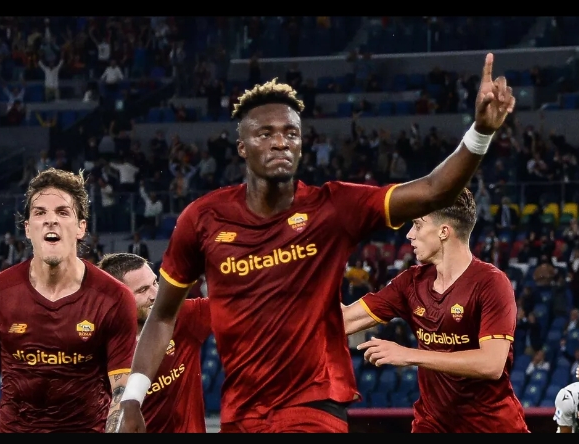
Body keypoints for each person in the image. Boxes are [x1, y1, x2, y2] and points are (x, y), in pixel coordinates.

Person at [119, 53, 516, 433]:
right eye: (265, 133)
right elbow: (163, 315)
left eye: (290, 133)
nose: (280, 142)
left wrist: (481, 132)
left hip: (315, 405)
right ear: (242, 147)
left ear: (301, 144)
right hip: (242, 411)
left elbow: (432, 190)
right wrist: (133, 399)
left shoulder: (333, 207)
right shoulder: (202, 219)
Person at [0, 168, 139, 433]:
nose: (51, 220)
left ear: (81, 227)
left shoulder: (115, 298)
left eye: (62, 212)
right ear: (28, 228)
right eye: (40, 213)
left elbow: (122, 390)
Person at [341, 189, 529, 433]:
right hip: (432, 424)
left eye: (418, 225)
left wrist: (409, 355)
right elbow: (345, 321)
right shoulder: (410, 282)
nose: (409, 234)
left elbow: (491, 364)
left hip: (492, 426)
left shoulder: (491, 283)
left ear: (443, 232)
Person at [97, 253, 211, 432]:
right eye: (142, 290)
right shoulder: (97, 349)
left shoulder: (183, 317)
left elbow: (235, 306)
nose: (155, 295)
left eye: (155, 283)